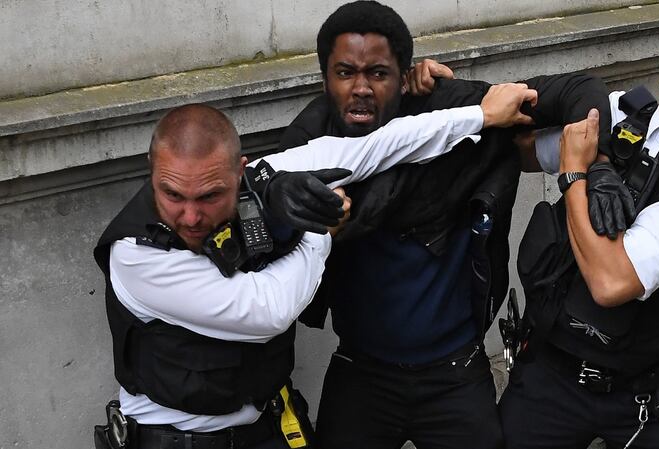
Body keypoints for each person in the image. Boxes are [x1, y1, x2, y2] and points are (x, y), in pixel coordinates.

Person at [92, 85, 538, 449]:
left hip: (263, 428)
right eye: (172, 195)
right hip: (177, 441)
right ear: (152, 172)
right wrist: (321, 231)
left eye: (209, 196)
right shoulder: (136, 254)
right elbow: (267, 309)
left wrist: (479, 117)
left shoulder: (258, 181)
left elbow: (370, 149)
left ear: (240, 172)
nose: (190, 216)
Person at [277, 2, 614, 448]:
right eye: (345, 73)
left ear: (405, 76)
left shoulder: (453, 113)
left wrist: (602, 163)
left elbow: (580, 90)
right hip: (361, 374)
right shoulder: (308, 144)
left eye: (378, 74)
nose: (361, 88)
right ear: (325, 79)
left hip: (455, 375)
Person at [500, 10, 659, 448]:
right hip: (552, 374)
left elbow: (610, 281)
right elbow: (521, 149)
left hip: (650, 397)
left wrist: (576, 174)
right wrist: (598, 158)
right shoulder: (621, 112)